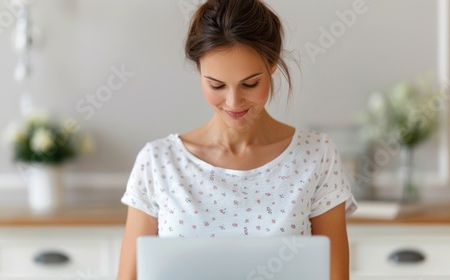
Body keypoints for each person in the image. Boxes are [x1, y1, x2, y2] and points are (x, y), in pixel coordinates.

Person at [118, 0, 357, 279]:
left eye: (250, 83)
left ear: (273, 64)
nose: (233, 102)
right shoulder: (158, 162)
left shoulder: (317, 155)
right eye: (216, 85)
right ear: (198, 70)